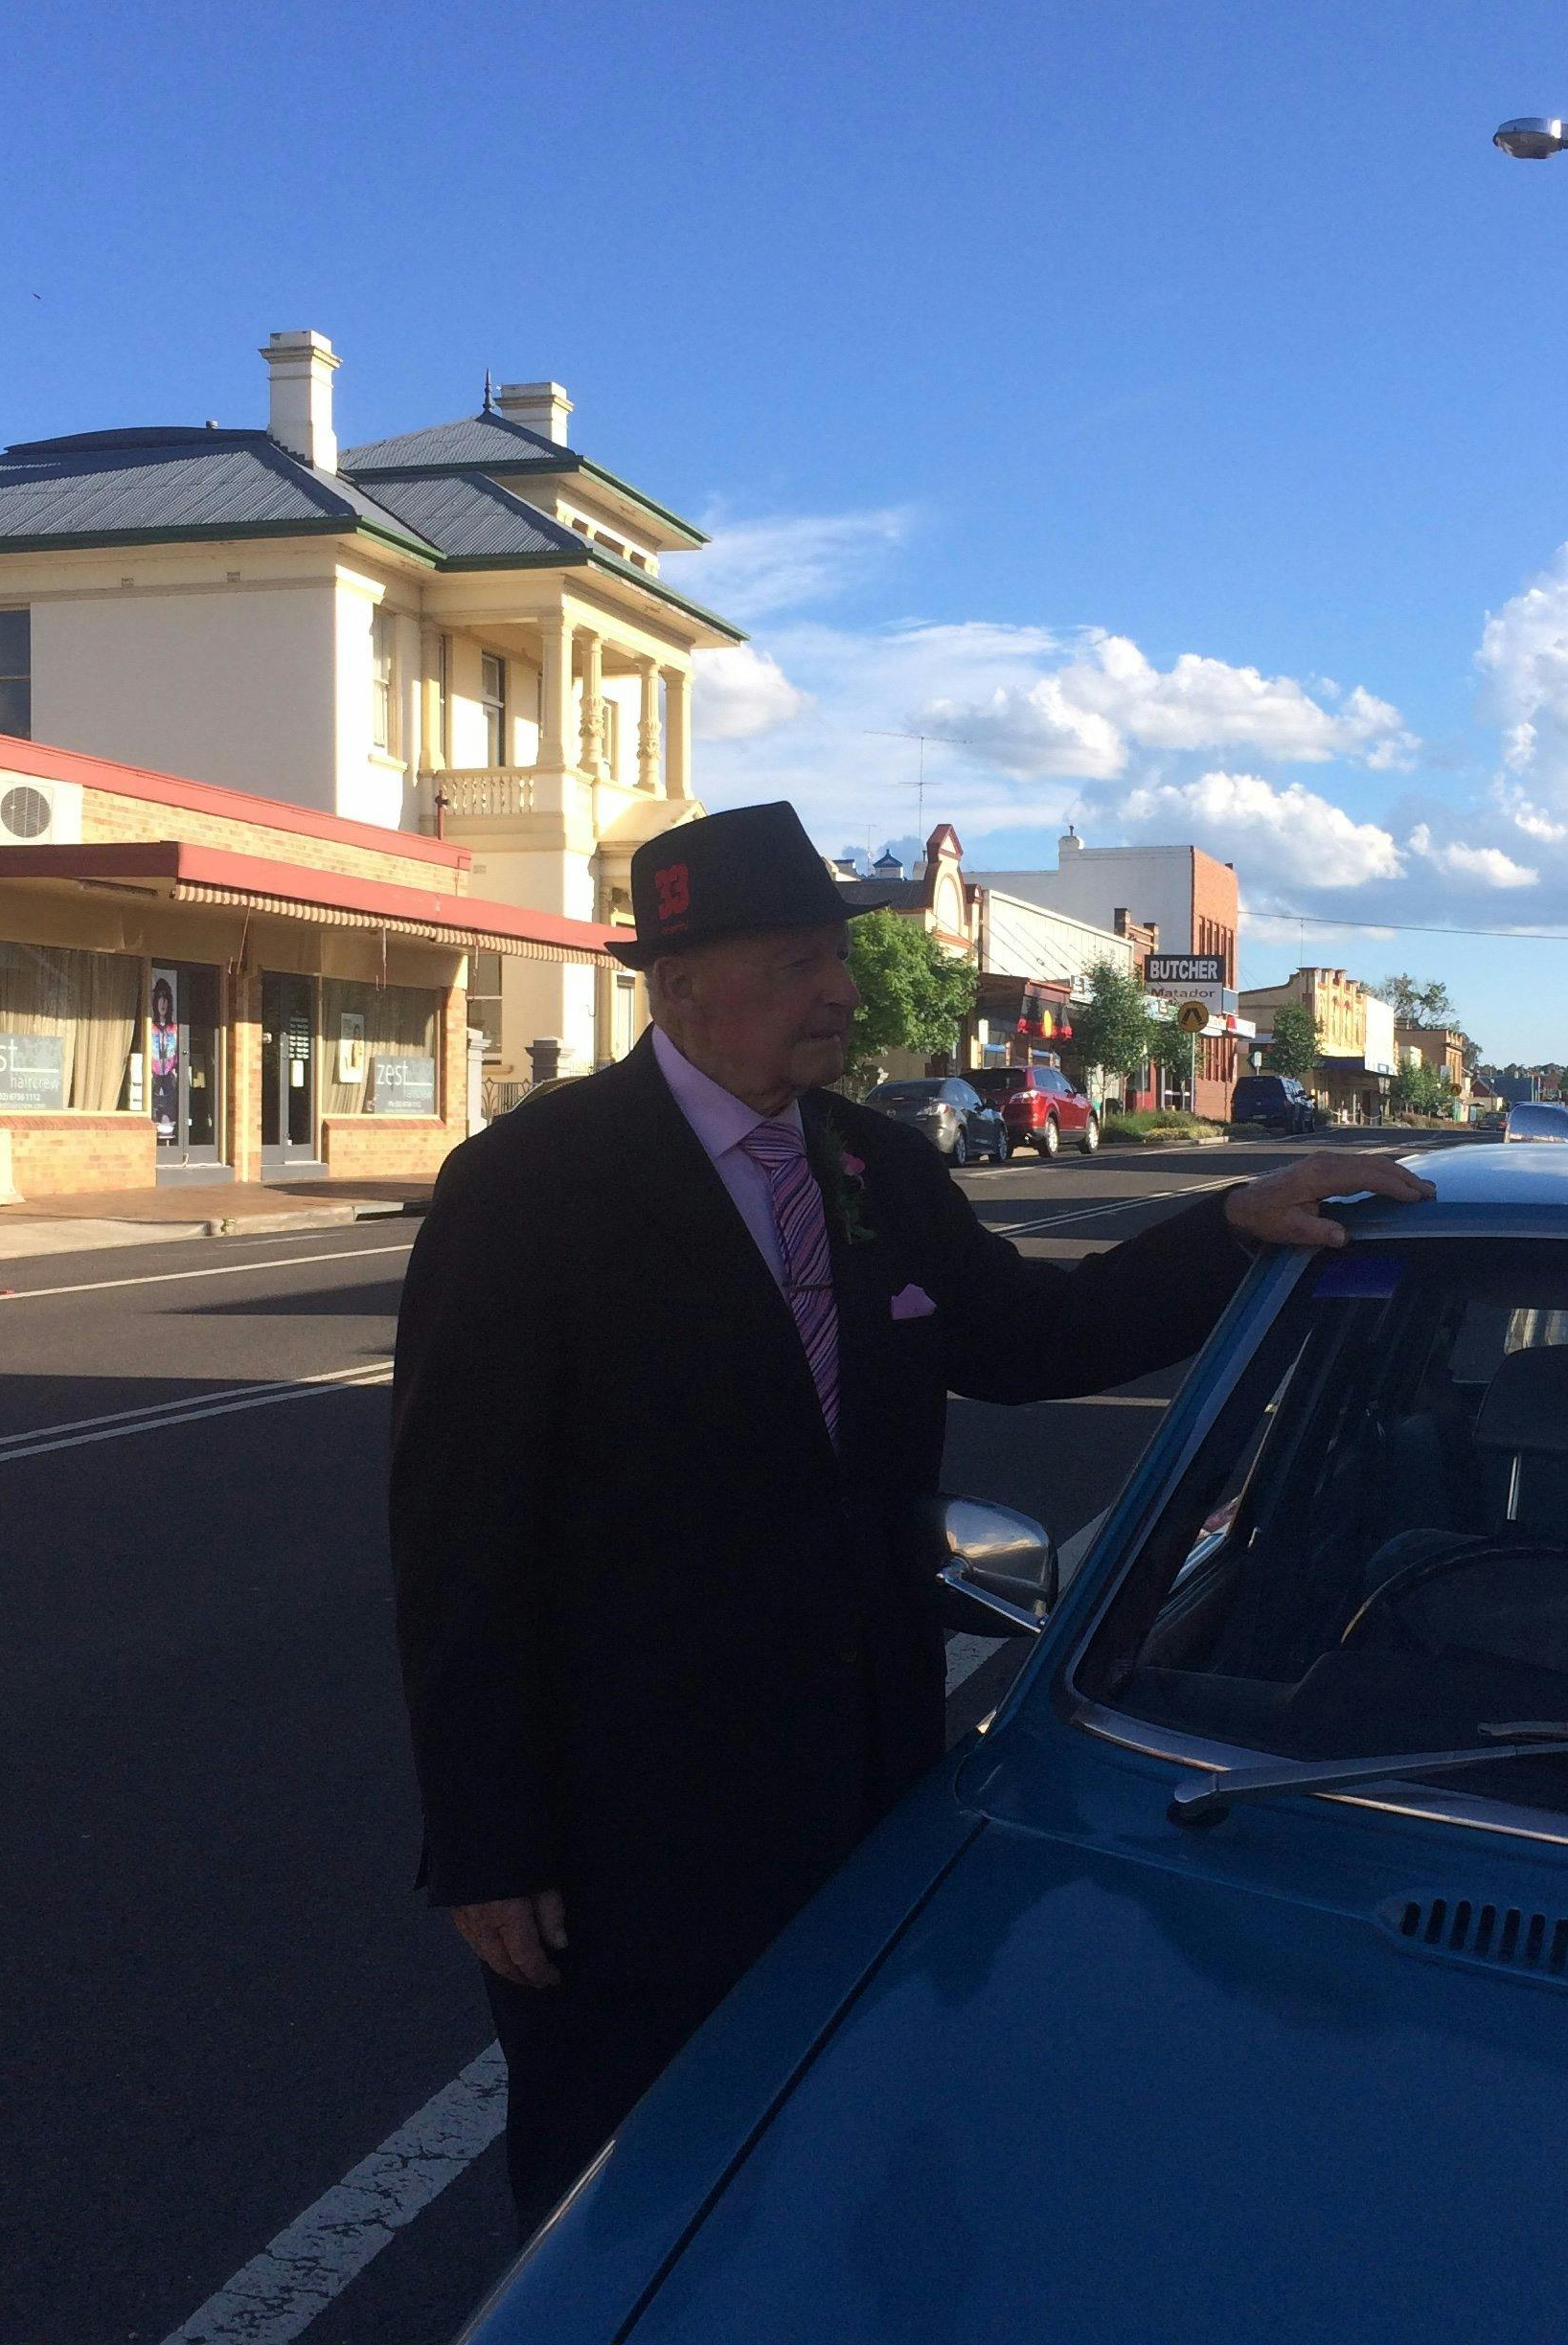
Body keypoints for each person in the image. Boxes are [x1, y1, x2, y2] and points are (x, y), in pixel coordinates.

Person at [389, 801, 1432, 2230]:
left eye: (840, 956)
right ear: (680, 982)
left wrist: (1232, 1224)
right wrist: (487, 1841)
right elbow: (458, 1536)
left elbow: (1030, 1339)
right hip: (633, 1812)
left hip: (861, 1771)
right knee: (617, 2176)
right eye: (802, 961)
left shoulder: (873, 1166)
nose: (844, 991)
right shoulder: (530, 1188)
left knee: (834, 2140)